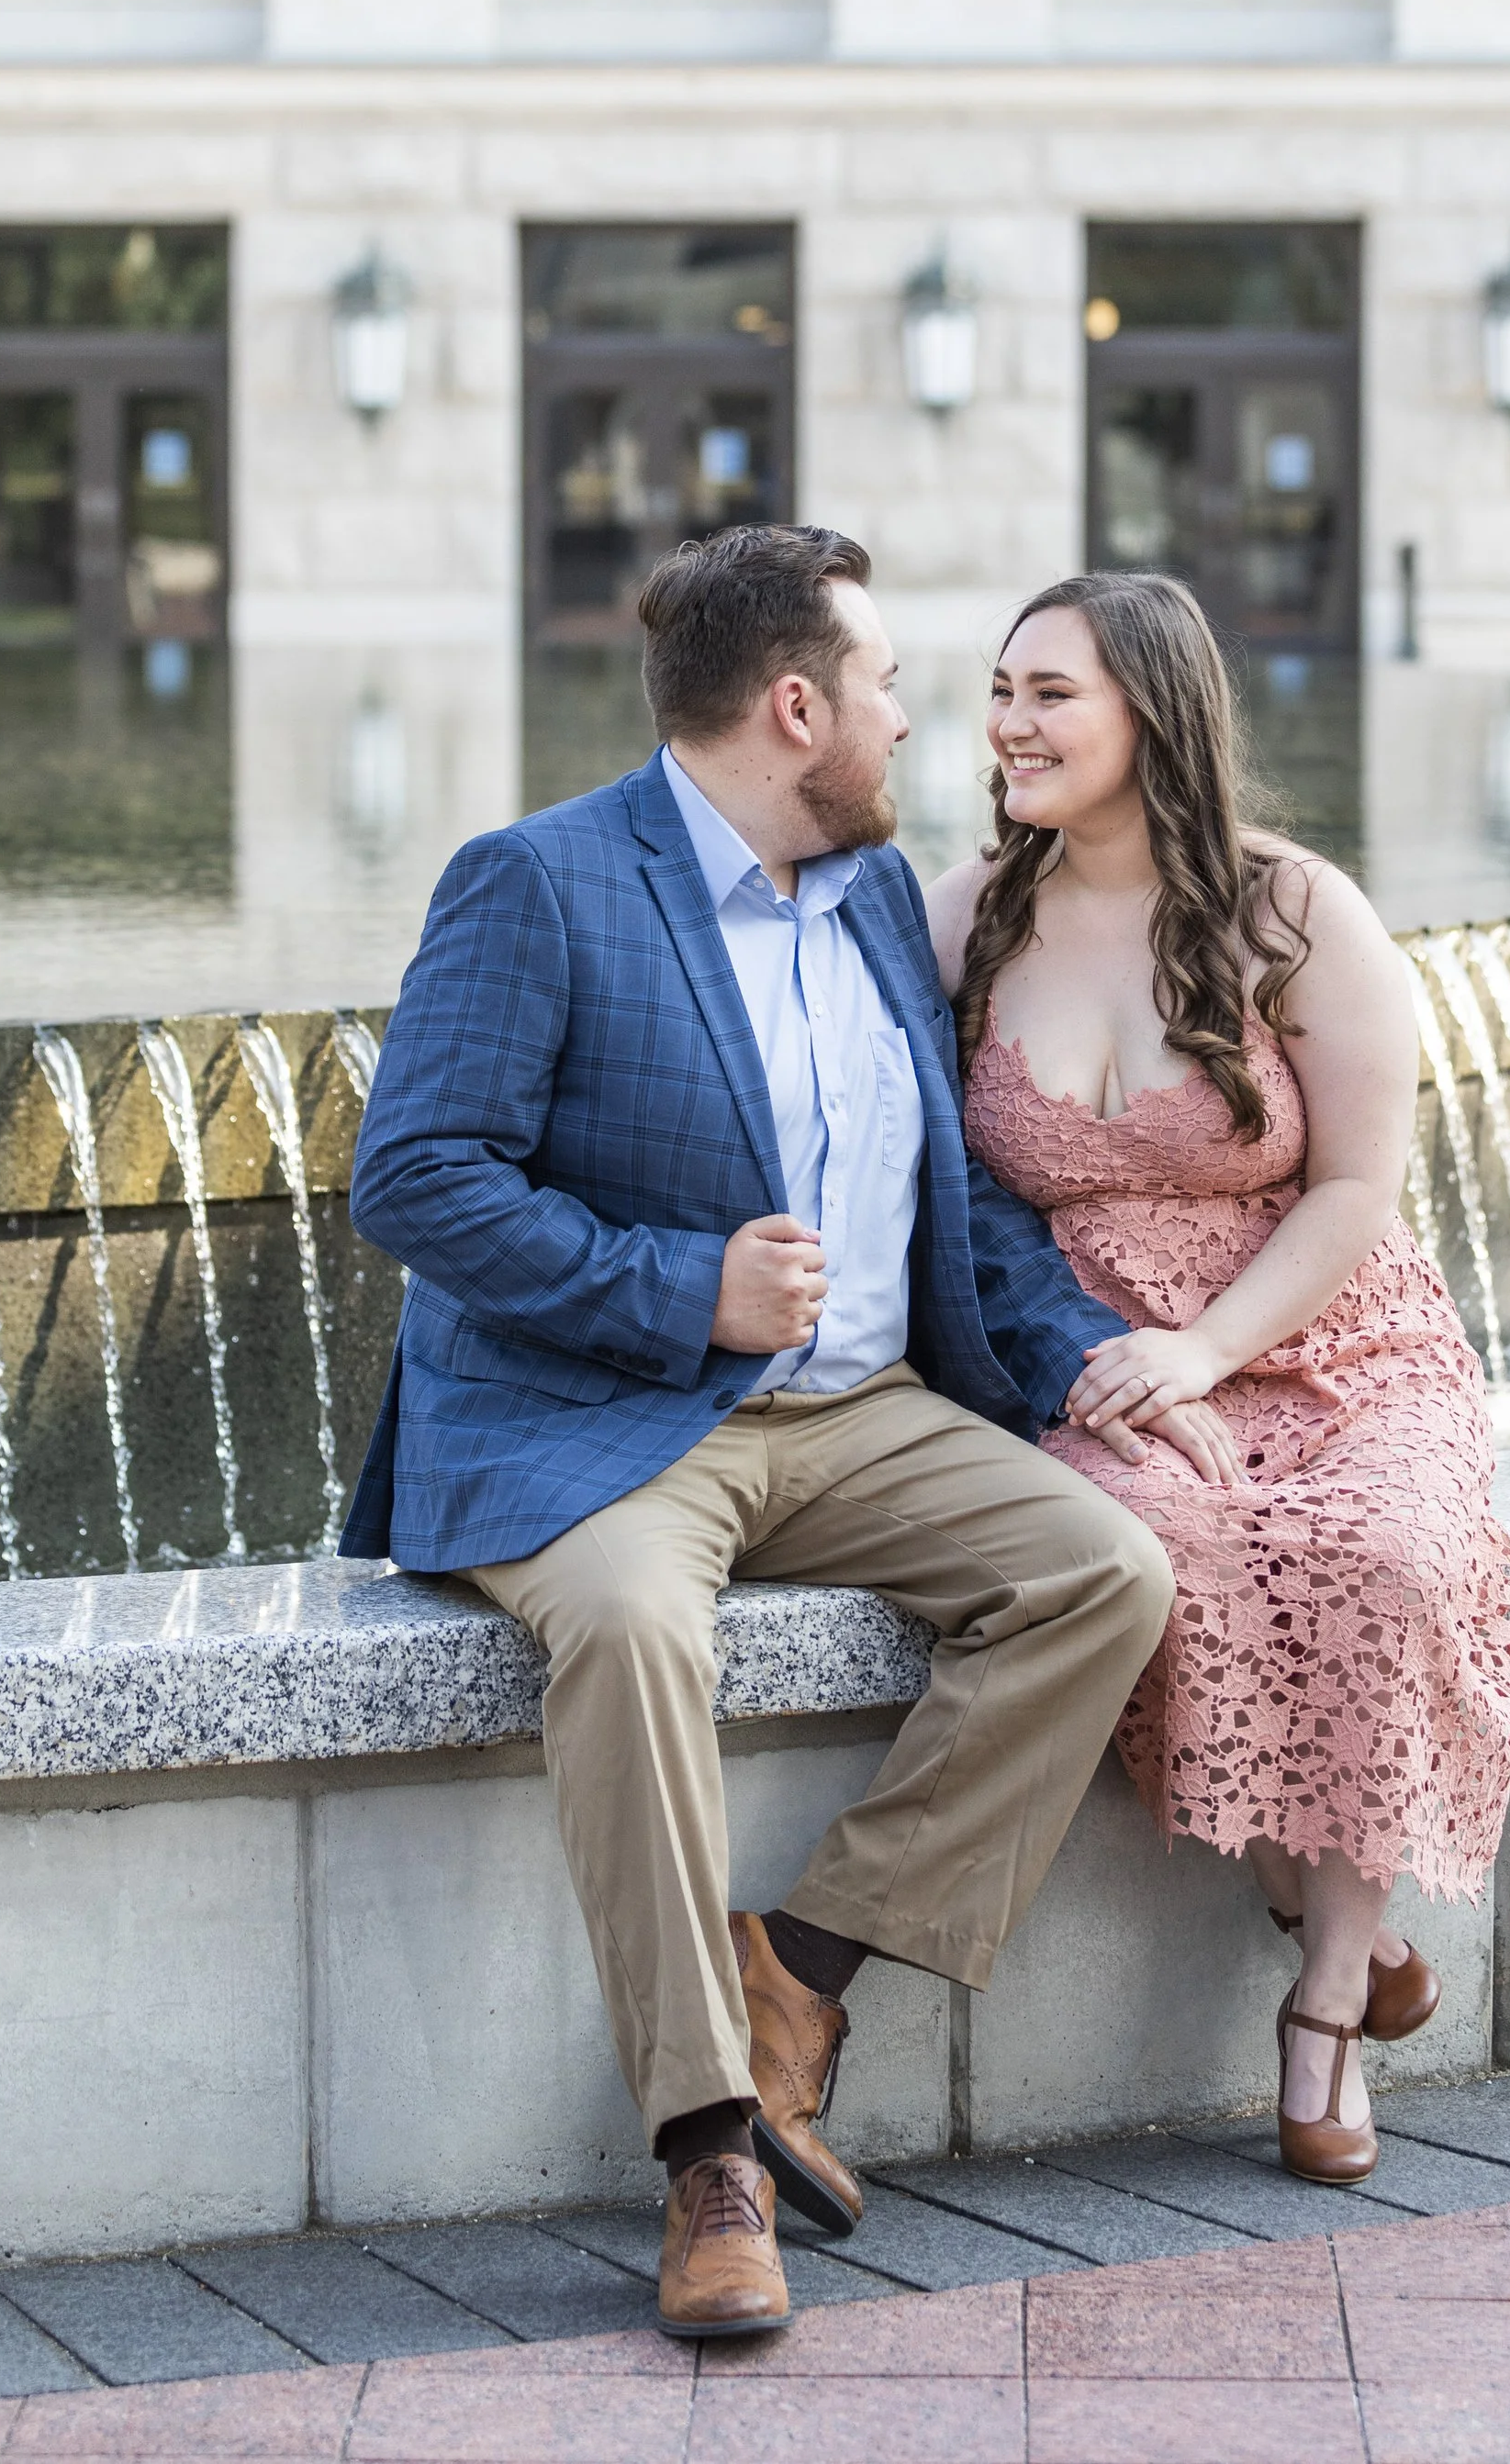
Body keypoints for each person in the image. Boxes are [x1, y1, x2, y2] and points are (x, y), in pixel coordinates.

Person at [340, 527, 1177, 2336]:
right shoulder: (541, 883)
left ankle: (794, 1970)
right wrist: (675, 1287)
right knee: (637, 1632)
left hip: (863, 1414)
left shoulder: (879, 897)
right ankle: (710, 2145)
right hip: (606, 1421)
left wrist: (1098, 1362)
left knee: (1101, 1570)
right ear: (793, 709)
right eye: (882, 687)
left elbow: (954, 1204)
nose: (909, 719)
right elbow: (409, 1175)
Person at [927, 572, 1510, 2189]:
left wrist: (1211, 1341)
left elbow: (1353, 1191)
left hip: (1325, 1338)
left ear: (1152, 711)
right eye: (1001, 691)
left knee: (1387, 1555)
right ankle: (1331, 1906)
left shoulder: (1298, 911)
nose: (1008, 723)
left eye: (1050, 693)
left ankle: (1327, 2004)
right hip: (1101, 1356)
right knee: (1156, 1561)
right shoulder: (963, 913)